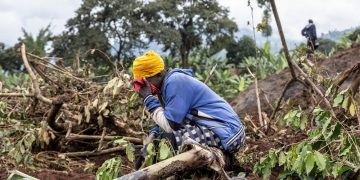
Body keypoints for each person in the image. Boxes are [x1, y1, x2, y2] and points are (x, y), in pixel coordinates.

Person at [132, 51, 245, 161]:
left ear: (159, 74)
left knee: (168, 140)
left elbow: (171, 125)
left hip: (229, 134)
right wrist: (154, 133)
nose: (144, 86)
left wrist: (148, 98)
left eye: (146, 81)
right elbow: (167, 119)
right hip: (223, 131)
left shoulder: (175, 82)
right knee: (158, 139)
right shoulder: (166, 86)